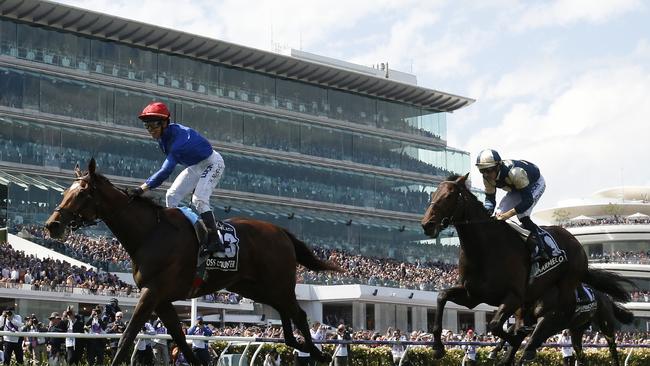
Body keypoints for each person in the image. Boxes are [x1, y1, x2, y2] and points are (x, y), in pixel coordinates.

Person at [129, 101, 226, 256]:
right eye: (147, 126)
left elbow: (165, 171)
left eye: (153, 125)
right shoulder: (165, 136)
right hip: (196, 165)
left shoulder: (177, 143)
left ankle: (215, 241)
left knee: (199, 199)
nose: (150, 130)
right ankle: (180, 233)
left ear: (165, 123)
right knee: (171, 195)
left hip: (213, 163)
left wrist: (141, 189)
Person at [475, 149, 557, 262]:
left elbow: (527, 201)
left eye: (488, 170)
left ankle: (541, 246)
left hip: (535, 182)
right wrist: (486, 214)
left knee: (522, 214)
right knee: (499, 213)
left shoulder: (515, 172)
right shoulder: (487, 178)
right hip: (517, 187)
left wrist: (507, 215)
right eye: (482, 171)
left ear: (498, 166)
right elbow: (489, 200)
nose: (486, 174)